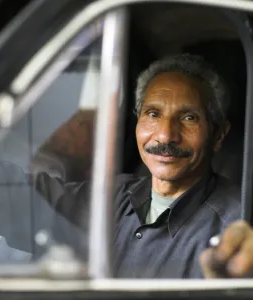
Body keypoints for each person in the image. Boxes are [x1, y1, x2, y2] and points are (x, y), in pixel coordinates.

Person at [32, 54, 253, 279]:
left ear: (218, 135)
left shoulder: (236, 228)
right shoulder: (113, 195)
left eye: (188, 118)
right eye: (153, 114)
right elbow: (22, 200)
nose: (166, 136)